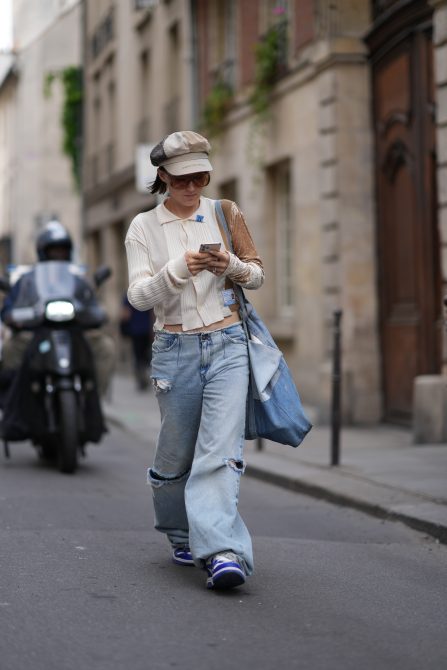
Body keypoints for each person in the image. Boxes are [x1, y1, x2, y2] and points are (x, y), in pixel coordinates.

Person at [125, 131, 264, 591]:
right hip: (175, 350)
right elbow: (139, 297)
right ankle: (180, 530)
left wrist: (230, 266)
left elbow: (257, 273)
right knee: (174, 459)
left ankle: (223, 551)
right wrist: (179, 270)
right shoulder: (143, 228)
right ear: (162, 176)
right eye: (183, 179)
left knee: (219, 454)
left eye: (201, 177)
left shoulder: (225, 213)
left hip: (228, 343)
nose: (192, 187)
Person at [1, 220, 115, 397]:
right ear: (43, 252)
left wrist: (98, 312)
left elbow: (91, 303)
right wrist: (13, 315)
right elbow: (10, 306)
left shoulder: (77, 280)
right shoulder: (28, 280)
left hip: (74, 333)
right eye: (54, 250)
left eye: (62, 250)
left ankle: (94, 400)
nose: (58, 254)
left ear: (68, 252)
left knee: (105, 346)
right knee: (9, 348)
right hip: (36, 333)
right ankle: (15, 401)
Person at [120, 294, 154, 390]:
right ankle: (144, 375)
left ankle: (141, 378)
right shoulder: (146, 294)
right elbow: (152, 313)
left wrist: (123, 328)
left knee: (138, 356)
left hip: (135, 330)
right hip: (146, 329)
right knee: (145, 355)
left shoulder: (129, 295)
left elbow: (126, 314)